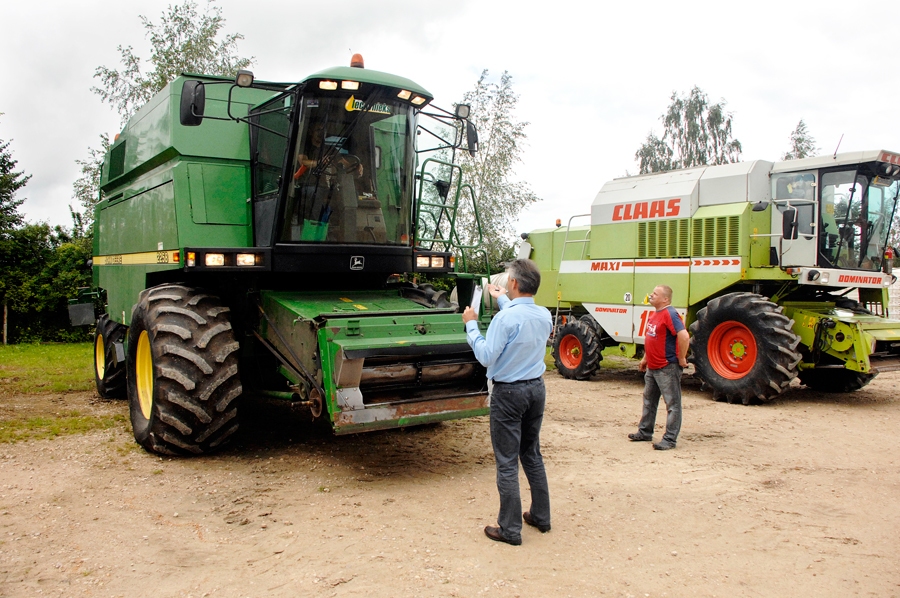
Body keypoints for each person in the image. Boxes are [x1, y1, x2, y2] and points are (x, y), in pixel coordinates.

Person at [462, 259, 553, 546]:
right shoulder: (543, 315)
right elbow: (518, 317)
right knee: (532, 454)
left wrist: (471, 326)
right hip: (536, 390)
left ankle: (510, 529)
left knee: (506, 462)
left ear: (513, 283)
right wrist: (501, 299)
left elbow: (487, 356)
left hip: (509, 394)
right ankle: (541, 516)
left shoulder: (505, 320)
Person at [628, 285, 689, 450]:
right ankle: (645, 432)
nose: (651, 295)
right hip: (653, 367)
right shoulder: (655, 314)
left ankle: (669, 439)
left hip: (667, 367)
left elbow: (684, 336)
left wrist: (682, 358)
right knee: (649, 400)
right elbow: (652, 338)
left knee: (672, 404)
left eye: (655, 293)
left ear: (665, 299)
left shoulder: (670, 314)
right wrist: (645, 359)